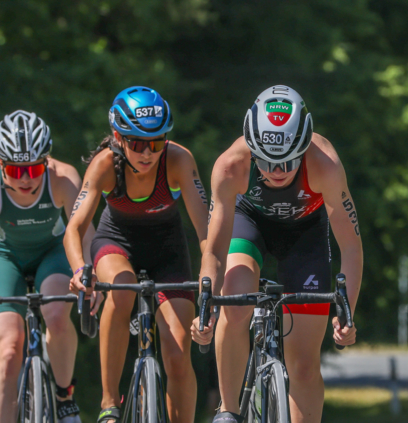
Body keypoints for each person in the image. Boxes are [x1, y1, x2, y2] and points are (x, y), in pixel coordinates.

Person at [191, 85, 362, 423]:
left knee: (303, 364)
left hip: (306, 232)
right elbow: (213, 249)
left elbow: (352, 247)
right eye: (266, 160)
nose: (277, 169)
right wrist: (205, 305)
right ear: (252, 149)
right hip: (249, 221)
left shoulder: (325, 164)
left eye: (288, 159)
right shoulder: (230, 166)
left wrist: (346, 314)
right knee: (236, 299)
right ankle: (228, 410)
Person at [65, 87, 209, 423]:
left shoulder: (179, 160)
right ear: (118, 137)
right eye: (137, 143)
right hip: (117, 242)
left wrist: (211, 276)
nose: (147, 153)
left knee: (177, 354)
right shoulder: (104, 166)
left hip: (167, 250)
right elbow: (73, 229)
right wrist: (78, 271)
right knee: (122, 286)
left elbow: (206, 231)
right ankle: (108, 401)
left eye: (156, 143)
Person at [0, 110, 86, 423]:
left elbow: (86, 236)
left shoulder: (64, 177)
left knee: (56, 316)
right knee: (7, 349)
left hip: (52, 252)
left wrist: (87, 272)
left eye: (34, 168)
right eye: (16, 171)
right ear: (0, 164)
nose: (27, 178)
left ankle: (64, 393)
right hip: (5, 256)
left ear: (47, 161)